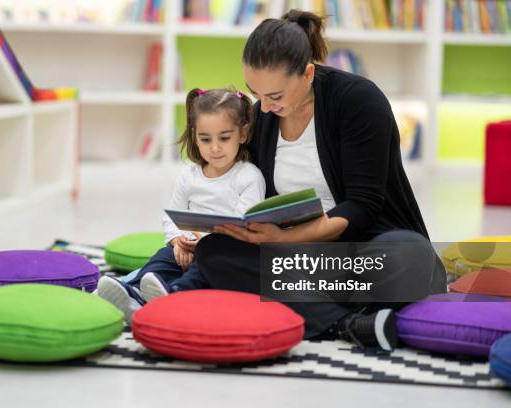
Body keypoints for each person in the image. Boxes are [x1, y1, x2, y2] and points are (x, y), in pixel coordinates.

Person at [194, 10, 447, 351]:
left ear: (308, 73)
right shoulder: (264, 117)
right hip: (300, 260)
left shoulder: (357, 100)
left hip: (359, 252)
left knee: (411, 255)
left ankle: (304, 303)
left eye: (276, 96)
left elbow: (363, 206)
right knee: (213, 251)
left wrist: (287, 241)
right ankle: (348, 323)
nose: (264, 109)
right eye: (257, 94)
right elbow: (247, 191)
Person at [98, 87, 266, 323]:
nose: (215, 147)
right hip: (185, 247)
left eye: (224, 138)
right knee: (161, 259)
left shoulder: (249, 177)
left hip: (221, 252)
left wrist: (201, 244)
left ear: (243, 133)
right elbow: (172, 216)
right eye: (205, 139)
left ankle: (176, 296)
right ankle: (134, 292)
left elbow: (242, 227)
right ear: (195, 136)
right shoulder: (189, 174)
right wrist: (178, 241)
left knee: (205, 268)